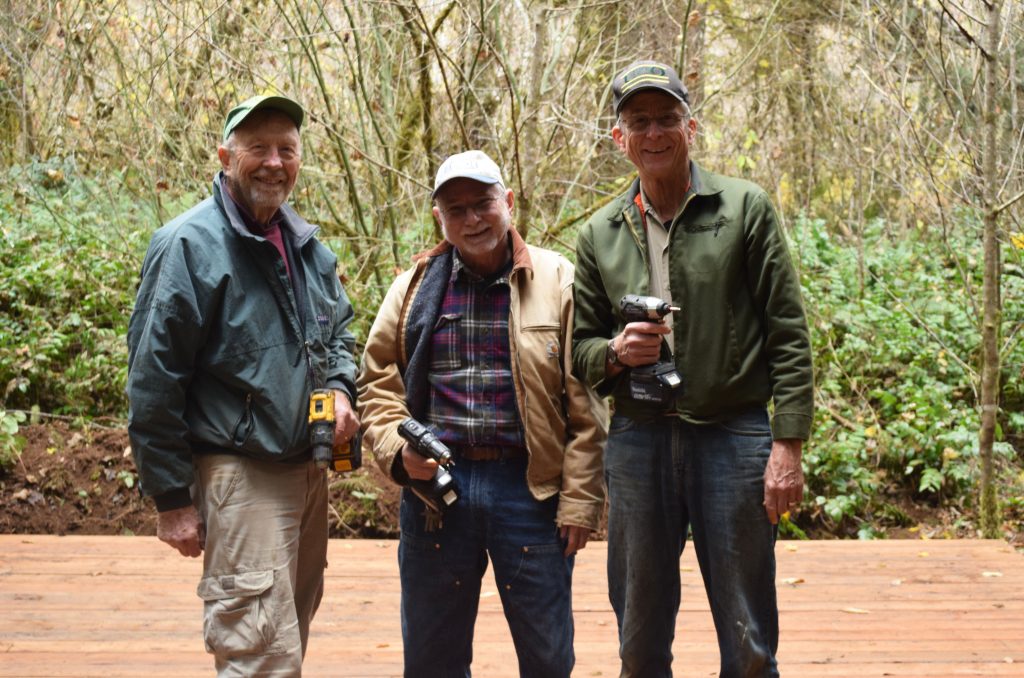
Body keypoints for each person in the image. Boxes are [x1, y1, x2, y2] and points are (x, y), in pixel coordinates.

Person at [571, 60, 814, 677]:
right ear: (619, 138)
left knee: (748, 630)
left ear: (692, 126)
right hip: (638, 437)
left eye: (666, 119)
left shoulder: (744, 208)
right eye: (639, 122)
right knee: (639, 629)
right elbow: (580, 351)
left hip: (732, 434)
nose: (654, 134)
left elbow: (787, 331)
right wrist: (618, 353)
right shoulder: (600, 231)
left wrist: (787, 444)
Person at [126, 94, 360, 676]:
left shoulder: (305, 245)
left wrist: (340, 390)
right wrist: (172, 498)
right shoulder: (187, 245)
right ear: (226, 154)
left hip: (306, 471)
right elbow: (153, 378)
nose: (274, 162)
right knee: (257, 652)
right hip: (240, 473)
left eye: (287, 149)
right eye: (258, 148)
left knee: (288, 637)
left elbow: (340, 331)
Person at [357, 150, 607, 677]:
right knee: (432, 659)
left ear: (508, 202)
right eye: (456, 209)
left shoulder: (558, 279)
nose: (471, 219)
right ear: (438, 218)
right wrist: (400, 453)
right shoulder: (413, 289)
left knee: (548, 658)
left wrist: (580, 501)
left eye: (483, 203)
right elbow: (377, 382)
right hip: (437, 492)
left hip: (531, 490)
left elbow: (586, 406)